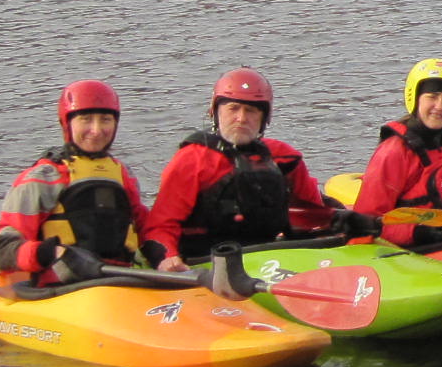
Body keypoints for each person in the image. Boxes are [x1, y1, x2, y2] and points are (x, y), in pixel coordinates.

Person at [145, 68, 343, 269]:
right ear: (215, 112)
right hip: (205, 262)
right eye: (233, 108)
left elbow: (314, 215)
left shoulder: (285, 157)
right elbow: (161, 226)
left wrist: (347, 222)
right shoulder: (191, 160)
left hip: (267, 257)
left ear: (264, 117)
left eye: (251, 111)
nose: (241, 118)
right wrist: (167, 258)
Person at [0, 80, 174, 286]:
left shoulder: (122, 175)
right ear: (67, 123)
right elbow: (4, 251)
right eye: (86, 119)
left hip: (120, 285)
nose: (96, 130)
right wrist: (50, 252)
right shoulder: (41, 179)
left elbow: (145, 228)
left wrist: (164, 258)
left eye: (105, 120)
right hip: (62, 289)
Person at [353, 58, 442, 246]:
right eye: (432, 96)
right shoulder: (394, 151)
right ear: (415, 98)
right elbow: (368, 222)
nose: (440, 106)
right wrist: (419, 233)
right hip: (414, 247)